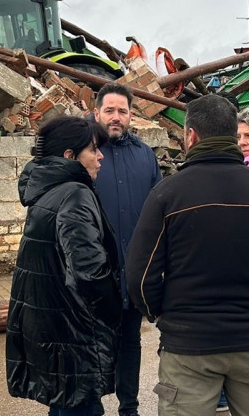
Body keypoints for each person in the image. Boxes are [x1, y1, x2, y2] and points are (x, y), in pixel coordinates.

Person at [126, 94, 249, 416]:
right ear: (233, 135)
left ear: (191, 136)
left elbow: (139, 275)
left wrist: (160, 313)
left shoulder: (166, 194)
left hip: (188, 347)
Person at [6, 116, 123, 416]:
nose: (100, 157)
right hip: (74, 329)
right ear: (70, 156)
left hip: (53, 325)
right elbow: (89, 271)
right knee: (82, 406)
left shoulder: (48, 190)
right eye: (93, 150)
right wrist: (114, 309)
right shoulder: (75, 194)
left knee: (64, 404)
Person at [91, 82, 162, 416]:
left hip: (134, 270)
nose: (116, 117)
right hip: (94, 272)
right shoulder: (86, 154)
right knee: (92, 343)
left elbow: (158, 209)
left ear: (131, 115)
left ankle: (128, 408)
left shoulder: (145, 155)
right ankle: (90, 405)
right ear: (96, 113)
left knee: (130, 343)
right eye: (110, 111)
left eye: (122, 111)